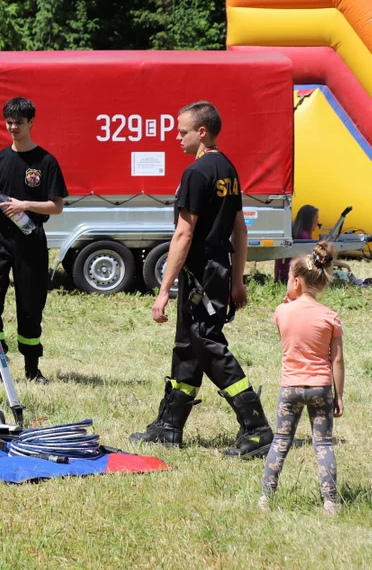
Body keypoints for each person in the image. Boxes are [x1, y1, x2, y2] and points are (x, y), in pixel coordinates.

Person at [131, 100, 274, 457]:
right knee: (187, 348)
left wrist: (163, 291)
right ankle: (169, 426)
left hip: (201, 279)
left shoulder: (196, 173)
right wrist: (237, 279)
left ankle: (257, 428)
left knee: (208, 347)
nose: (175, 137)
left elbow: (183, 235)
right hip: (217, 272)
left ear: (202, 132)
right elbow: (240, 229)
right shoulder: (226, 168)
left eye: (181, 131)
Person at [0, 97, 67, 384]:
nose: (14, 127)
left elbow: (57, 206)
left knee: (29, 305)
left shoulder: (45, 161)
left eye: (19, 122)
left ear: (31, 123)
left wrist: (24, 205)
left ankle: (31, 368)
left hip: (30, 240)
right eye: (10, 122)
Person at [259, 241, 344, 516]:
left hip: (290, 388)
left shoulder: (282, 312)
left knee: (281, 441)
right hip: (320, 386)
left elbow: (284, 323)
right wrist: (339, 395)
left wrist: (287, 302)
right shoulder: (330, 317)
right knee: (324, 443)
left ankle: (265, 498)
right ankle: (330, 501)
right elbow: (337, 360)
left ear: (296, 282)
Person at [274, 204, 318, 284]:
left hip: (281, 276)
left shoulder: (293, 233)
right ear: (310, 221)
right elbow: (313, 261)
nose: (318, 222)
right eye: (316, 219)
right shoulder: (305, 237)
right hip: (291, 279)